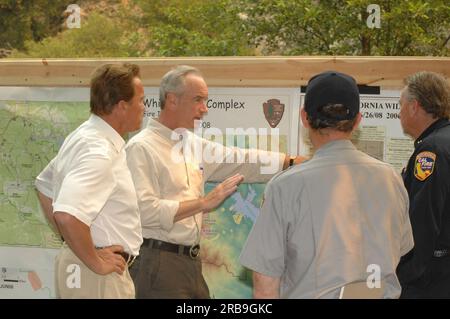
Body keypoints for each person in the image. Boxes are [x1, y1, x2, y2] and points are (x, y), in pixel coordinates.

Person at [126, 65, 303, 298]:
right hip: (157, 263)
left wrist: (290, 162)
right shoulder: (141, 148)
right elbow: (143, 210)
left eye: (206, 100)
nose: (204, 109)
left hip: (190, 263)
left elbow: (242, 160)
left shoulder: (191, 143)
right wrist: (202, 203)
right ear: (171, 100)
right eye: (198, 99)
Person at [239, 70, 414, 299]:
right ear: (358, 120)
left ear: (304, 117)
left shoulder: (285, 186)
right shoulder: (391, 179)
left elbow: (265, 283)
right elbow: (402, 249)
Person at [35, 63, 145, 298]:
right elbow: (66, 215)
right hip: (96, 277)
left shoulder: (85, 137)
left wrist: (74, 244)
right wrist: (95, 260)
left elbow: (44, 185)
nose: (144, 108)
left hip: (86, 269)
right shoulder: (99, 150)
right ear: (122, 106)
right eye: (141, 100)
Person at [396, 71, 450, 298]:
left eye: (400, 105)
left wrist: (405, 274)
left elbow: (423, 218)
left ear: (414, 106)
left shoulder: (431, 151)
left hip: (431, 279)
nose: (399, 114)